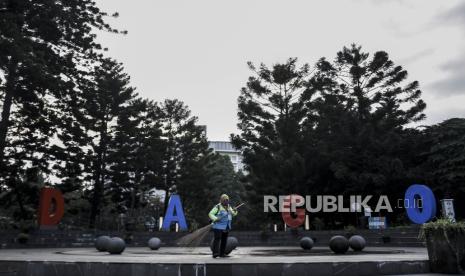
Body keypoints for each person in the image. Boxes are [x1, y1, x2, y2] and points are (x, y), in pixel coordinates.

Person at [208, 194, 238, 258]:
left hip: (226, 227)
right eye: (225, 200)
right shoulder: (218, 206)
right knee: (217, 239)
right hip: (218, 226)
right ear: (221, 200)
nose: (226, 201)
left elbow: (233, 214)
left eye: (227, 200)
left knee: (224, 240)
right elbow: (210, 214)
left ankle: (222, 254)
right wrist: (215, 218)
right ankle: (215, 253)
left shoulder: (229, 207)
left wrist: (235, 211)